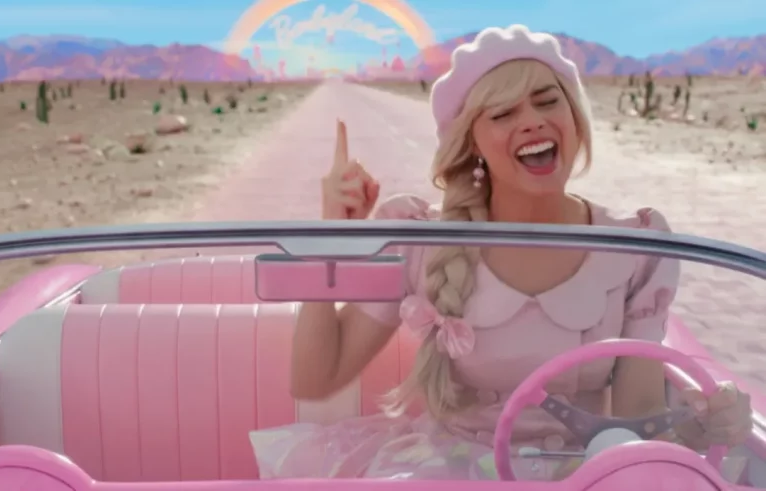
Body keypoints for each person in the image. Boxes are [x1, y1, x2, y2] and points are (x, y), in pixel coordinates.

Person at [249, 25, 753, 481]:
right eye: (504, 113)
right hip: (448, 472)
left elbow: (634, 419)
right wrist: (328, 240)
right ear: (474, 144)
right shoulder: (424, 239)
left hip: (582, 473)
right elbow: (317, 380)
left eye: (546, 101)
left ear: (574, 118)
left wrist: (696, 429)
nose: (532, 121)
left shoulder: (636, 247)